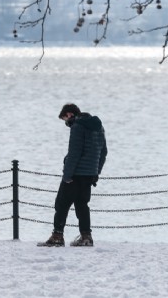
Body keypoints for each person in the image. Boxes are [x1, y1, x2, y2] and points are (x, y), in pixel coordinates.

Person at [38, 103, 108, 247]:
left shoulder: (77, 126)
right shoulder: (98, 127)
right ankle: (86, 237)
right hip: (89, 174)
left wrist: (67, 175)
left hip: (75, 174)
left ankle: (57, 236)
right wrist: (96, 172)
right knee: (82, 205)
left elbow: (75, 153)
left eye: (65, 119)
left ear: (69, 114)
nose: (66, 122)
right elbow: (103, 152)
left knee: (61, 204)